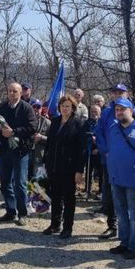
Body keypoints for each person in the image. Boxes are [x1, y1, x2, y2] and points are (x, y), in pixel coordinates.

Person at [99, 97, 135, 259]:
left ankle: (133, 247)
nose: (118, 112)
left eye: (122, 109)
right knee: (121, 213)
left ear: (131, 111)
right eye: (117, 110)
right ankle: (124, 242)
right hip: (116, 178)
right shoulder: (113, 128)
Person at [94, 84, 135, 239]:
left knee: (130, 196)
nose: (118, 95)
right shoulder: (108, 112)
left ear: (127, 94)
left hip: (130, 163)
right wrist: (106, 151)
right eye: (115, 92)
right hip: (110, 160)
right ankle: (112, 225)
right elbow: (99, 132)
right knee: (110, 193)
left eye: (121, 92)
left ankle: (130, 231)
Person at [41, 95, 87, 239]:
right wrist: (45, 162)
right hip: (53, 166)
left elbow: (82, 149)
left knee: (68, 199)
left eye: (68, 106)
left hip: (69, 168)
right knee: (55, 197)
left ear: (73, 108)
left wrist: (79, 170)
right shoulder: (54, 122)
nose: (65, 108)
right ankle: (55, 224)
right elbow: (49, 144)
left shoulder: (79, 124)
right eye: (62, 106)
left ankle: (67, 227)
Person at [0, 82, 36, 226]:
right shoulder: (2, 106)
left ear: (20, 93)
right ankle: (10, 211)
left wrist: (14, 132)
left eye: (15, 91)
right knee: (4, 183)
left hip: (20, 151)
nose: (12, 93)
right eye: (10, 91)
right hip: (4, 150)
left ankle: (22, 213)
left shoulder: (27, 108)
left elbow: (32, 127)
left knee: (19, 184)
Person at [29, 99, 51, 180]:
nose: (36, 109)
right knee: (24, 175)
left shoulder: (47, 123)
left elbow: (52, 140)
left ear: (41, 109)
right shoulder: (25, 120)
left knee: (37, 177)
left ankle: (35, 192)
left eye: (38, 107)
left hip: (39, 154)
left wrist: (41, 137)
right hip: (25, 153)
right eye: (34, 107)